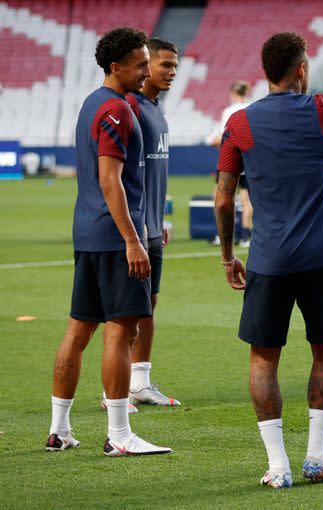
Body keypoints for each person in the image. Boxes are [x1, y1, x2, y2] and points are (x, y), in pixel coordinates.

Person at [214, 32, 323, 488]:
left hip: (267, 261)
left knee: (263, 360)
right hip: (320, 258)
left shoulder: (240, 123)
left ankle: (278, 466)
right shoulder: (322, 109)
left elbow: (223, 197)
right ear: (301, 70)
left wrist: (229, 255)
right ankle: (316, 456)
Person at [45, 26, 172, 456]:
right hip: (116, 238)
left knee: (78, 330)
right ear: (115, 67)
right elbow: (109, 179)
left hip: (88, 234)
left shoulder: (90, 104)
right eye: (139, 64)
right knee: (121, 331)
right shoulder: (117, 109)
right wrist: (134, 241)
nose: (145, 71)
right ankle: (119, 435)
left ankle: (59, 430)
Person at [124, 37, 181, 407]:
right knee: (126, 312)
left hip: (153, 226)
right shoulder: (130, 108)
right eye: (165, 65)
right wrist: (135, 228)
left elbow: (155, 173)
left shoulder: (157, 110)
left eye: (175, 66)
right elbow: (118, 175)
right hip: (133, 230)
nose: (172, 72)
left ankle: (140, 382)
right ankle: (113, 389)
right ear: (145, 66)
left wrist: (161, 217)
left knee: (149, 305)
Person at [208, 81, 253, 247]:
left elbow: (224, 137)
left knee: (222, 198)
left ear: (233, 93)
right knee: (247, 199)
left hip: (230, 159)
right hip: (248, 159)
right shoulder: (252, 108)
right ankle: (245, 236)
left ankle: (225, 234)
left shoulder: (229, 111)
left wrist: (213, 141)